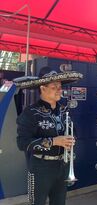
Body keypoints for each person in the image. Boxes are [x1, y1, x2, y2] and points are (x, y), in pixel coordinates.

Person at [15, 66, 82, 205]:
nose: (59, 90)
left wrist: (72, 139)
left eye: (60, 86)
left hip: (62, 166)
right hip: (40, 167)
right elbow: (22, 143)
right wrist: (53, 141)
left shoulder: (64, 110)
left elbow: (73, 131)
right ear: (43, 88)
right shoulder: (30, 112)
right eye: (54, 87)